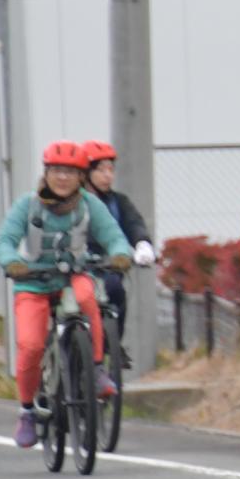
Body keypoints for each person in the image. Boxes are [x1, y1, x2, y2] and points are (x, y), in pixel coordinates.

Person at [0, 140, 132, 447]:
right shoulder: (27, 205)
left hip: (73, 277)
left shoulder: (89, 205)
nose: (63, 178)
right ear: (46, 172)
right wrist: (12, 262)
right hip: (33, 281)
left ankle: (96, 369)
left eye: (70, 172)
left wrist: (121, 254)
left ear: (81, 177)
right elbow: (5, 240)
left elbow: (114, 236)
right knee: (30, 346)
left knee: (89, 299)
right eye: (56, 170)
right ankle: (28, 410)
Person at [81, 141, 158, 342]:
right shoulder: (73, 202)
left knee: (116, 290)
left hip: (107, 264)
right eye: (101, 170)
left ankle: (113, 346)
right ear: (85, 173)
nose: (108, 175)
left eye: (111, 170)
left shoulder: (118, 202)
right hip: (76, 266)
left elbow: (134, 223)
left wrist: (142, 244)